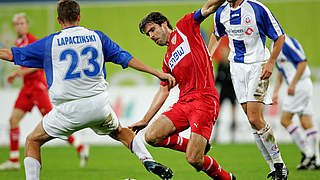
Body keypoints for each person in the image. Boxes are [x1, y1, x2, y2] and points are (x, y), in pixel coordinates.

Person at [0, 0, 176, 179]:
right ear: (79, 16)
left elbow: (12, 55)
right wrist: (156, 73)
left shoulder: (50, 43)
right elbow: (126, 58)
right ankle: (146, 158)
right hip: (98, 106)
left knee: (33, 140)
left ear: (59, 20)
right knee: (121, 131)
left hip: (68, 110)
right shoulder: (97, 37)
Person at [130, 0, 236, 179]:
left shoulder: (185, 27)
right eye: (148, 34)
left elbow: (209, 8)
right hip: (184, 103)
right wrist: (145, 119)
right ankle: (194, 145)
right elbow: (164, 90)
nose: (151, 36)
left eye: (153, 30)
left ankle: (227, 178)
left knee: (194, 159)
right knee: (152, 136)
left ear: (164, 24)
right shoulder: (167, 59)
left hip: (204, 100)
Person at [208, 0, 288, 179]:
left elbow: (279, 36)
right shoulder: (221, 13)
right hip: (236, 68)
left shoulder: (256, 8)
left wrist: (271, 62)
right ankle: (274, 168)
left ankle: (280, 164)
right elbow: (216, 33)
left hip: (258, 65)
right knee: (252, 120)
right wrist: (208, 55)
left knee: (254, 117)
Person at [0, 13, 88, 170]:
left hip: (37, 88)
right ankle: (14, 160)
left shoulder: (32, 40)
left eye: (22, 23)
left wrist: (21, 72)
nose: (19, 26)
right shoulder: (18, 42)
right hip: (26, 89)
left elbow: (42, 63)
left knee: (56, 124)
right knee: (13, 120)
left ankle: (80, 146)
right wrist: (17, 74)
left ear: (27, 24)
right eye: (17, 24)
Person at [271, 34, 320, 170]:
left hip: (300, 85)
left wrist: (292, 84)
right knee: (306, 122)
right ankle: (316, 160)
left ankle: (308, 153)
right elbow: (281, 70)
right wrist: (275, 91)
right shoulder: (273, 45)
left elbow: (302, 62)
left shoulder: (286, 42)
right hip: (300, 86)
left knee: (285, 120)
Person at [211, 35, 237, 142]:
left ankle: (233, 136)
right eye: (222, 52)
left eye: (225, 52)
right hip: (222, 92)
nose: (223, 54)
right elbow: (217, 81)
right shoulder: (221, 65)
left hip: (232, 92)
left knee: (233, 114)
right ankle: (216, 134)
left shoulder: (233, 65)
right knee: (218, 114)